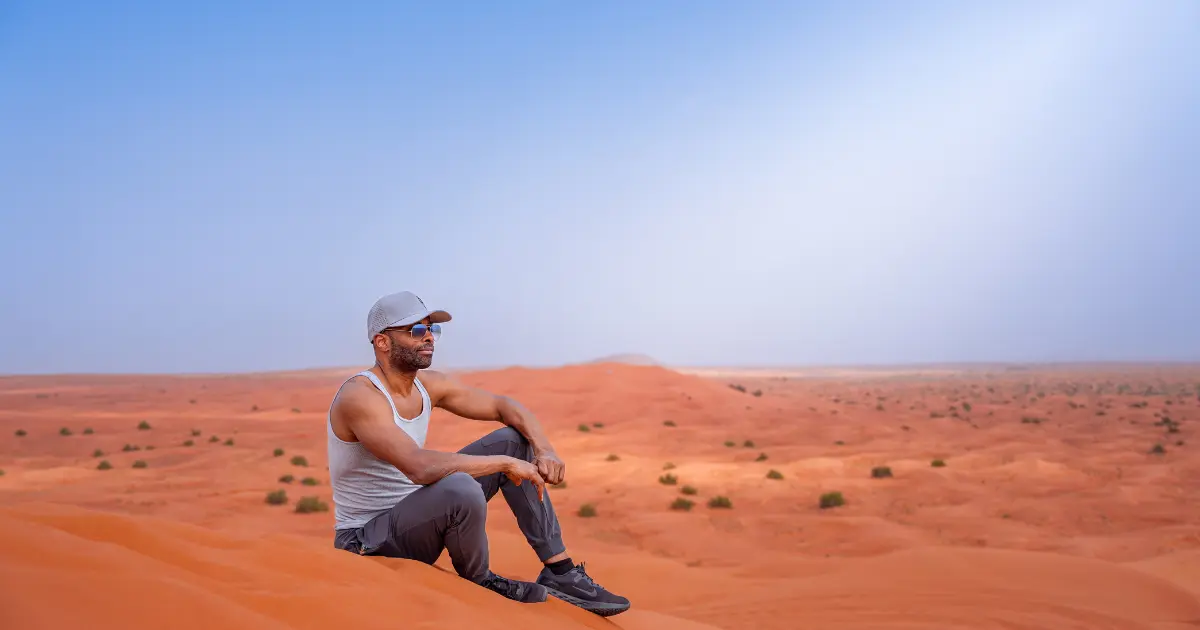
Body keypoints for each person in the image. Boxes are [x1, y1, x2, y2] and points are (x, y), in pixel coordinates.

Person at [326, 291, 631, 617]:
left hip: (417, 517)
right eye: (416, 330)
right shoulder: (361, 397)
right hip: (366, 542)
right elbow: (417, 466)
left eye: (432, 330)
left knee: (514, 440)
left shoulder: (427, 387)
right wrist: (503, 464)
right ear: (382, 342)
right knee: (463, 485)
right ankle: (481, 581)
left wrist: (545, 450)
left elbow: (504, 406)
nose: (429, 337)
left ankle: (561, 572)